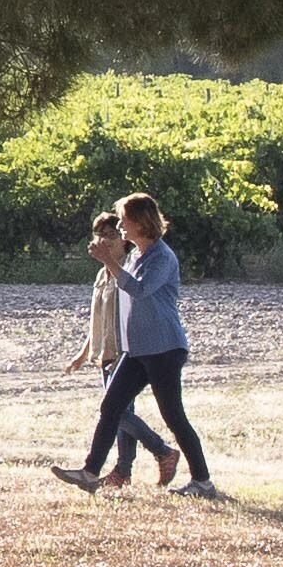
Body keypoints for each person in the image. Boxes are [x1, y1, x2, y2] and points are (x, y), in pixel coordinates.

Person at [52, 189, 210, 496]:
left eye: (124, 220)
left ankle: (202, 481)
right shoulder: (136, 255)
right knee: (110, 406)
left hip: (164, 349)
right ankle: (89, 473)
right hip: (137, 351)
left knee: (174, 417)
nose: (121, 226)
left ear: (140, 221)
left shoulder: (161, 256)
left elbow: (140, 289)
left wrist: (110, 261)